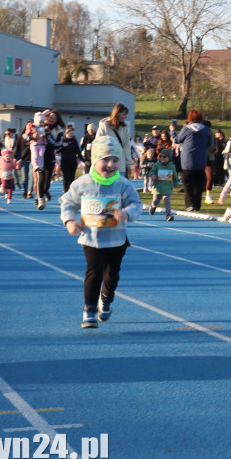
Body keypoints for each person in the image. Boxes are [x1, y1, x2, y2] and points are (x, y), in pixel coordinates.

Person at [60, 135, 142, 329]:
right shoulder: (82, 183)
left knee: (112, 274)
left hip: (116, 239)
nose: (110, 165)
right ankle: (89, 309)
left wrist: (126, 213)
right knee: (94, 272)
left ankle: (106, 298)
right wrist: (70, 221)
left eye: (115, 160)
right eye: (105, 160)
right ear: (95, 160)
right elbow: (68, 202)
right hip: (91, 239)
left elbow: (136, 204)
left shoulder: (123, 184)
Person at [175, 109, 212, 211]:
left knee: (188, 184)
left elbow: (177, 140)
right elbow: (209, 143)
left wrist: (172, 131)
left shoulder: (186, 129)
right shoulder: (205, 129)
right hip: (201, 160)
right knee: (199, 184)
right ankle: (197, 205)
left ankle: (190, 204)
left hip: (187, 160)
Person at [96, 104, 132, 177]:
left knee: (118, 186)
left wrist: (128, 164)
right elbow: (98, 144)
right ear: (117, 113)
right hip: (106, 163)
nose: (126, 117)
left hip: (120, 163)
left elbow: (127, 146)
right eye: (124, 114)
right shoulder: (104, 126)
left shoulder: (125, 128)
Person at [148, 148, 179, 221]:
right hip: (158, 187)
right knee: (155, 201)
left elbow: (175, 176)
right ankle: (153, 207)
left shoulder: (172, 166)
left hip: (167, 187)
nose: (162, 158)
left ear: (169, 158)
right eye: (161, 156)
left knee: (167, 202)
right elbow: (151, 172)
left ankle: (168, 215)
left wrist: (176, 183)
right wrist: (152, 175)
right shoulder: (157, 165)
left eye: (164, 156)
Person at [58, 126, 82, 192]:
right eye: (70, 133)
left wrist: (83, 160)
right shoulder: (63, 141)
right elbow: (57, 150)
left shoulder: (74, 141)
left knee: (71, 178)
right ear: (66, 133)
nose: (72, 135)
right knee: (66, 177)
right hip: (64, 162)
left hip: (73, 162)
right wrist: (62, 146)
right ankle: (66, 191)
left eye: (73, 133)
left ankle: (71, 191)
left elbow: (78, 152)